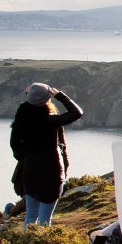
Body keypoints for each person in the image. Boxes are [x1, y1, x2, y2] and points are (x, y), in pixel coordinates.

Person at [10, 83, 83, 229]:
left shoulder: (20, 120)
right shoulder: (51, 121)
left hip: (31, 172)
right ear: (47, 99)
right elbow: (76, 112)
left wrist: (27, 155)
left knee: (30, 216)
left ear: (28, 97)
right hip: (52, 173)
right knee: (45, 218)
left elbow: (15, 146)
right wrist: (59, 96)